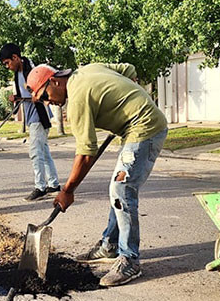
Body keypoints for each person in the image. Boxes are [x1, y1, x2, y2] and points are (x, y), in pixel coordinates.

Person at [26, 63, 168, 287]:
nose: (47, 102)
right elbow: (129, 69)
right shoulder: (88, 69)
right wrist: (128, 97)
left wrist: (67, 191)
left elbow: (85, 153)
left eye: (45, 96)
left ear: (54, 81)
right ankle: (109, 245)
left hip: (146, 128)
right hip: (135, 128)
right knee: (118, 188)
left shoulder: (77, 99)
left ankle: (130, 259)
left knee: (122, 188)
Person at [0, 43, 60, 201]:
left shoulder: (32, 69)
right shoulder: (18, 73)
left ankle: (40, 187)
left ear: (15, 57)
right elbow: (25, 93)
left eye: (7, 63)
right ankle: (53, 184)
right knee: (43, 151)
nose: (7, 67)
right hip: (31, 115)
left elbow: (46, 89)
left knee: (35, 152)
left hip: (39, 116)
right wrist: (16, 97)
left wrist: (37, 95)